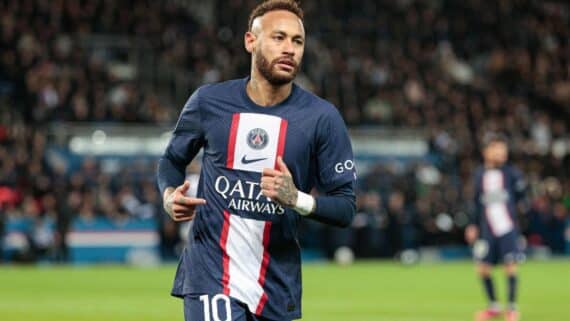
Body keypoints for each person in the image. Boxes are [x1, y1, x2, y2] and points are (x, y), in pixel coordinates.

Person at [156, 1, 356, 320]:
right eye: (279, 38)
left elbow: (346, 207)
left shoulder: (322, 118)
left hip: (277, 284)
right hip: (211, 274)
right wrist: (169, 195)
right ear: (251, 41)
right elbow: (171, 160)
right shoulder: (209, 102)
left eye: (297, 41)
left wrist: (296, 199)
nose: (289, 48)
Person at [465, 133, 526, 321]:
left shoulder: (512, 173)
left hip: (507, 228)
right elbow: (475, 202)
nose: (501, 153)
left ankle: (512, 308)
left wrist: (520, 228)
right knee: (482, 268)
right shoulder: (479, 175)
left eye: (503, 150)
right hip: (486, 229)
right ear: (486, 152)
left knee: (511, 266)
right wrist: (473, 224)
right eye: (496, 149)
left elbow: (522, 200)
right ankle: (493, 306)